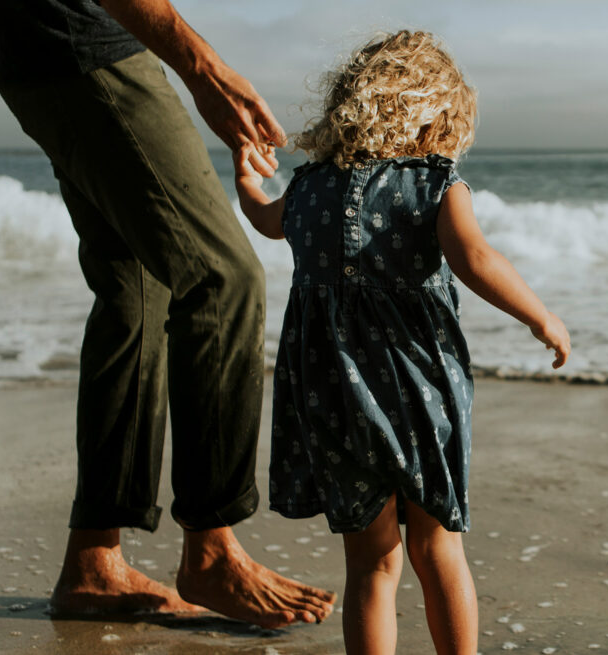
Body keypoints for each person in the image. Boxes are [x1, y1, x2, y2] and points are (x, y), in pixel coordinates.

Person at [0, 0, 334, 628]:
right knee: (223, 277)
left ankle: (93, 562)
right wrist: (204, 70)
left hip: (40, 45)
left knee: (135, 288)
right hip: (81, 34)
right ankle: (212, 549)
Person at [233, 30, 571, 654]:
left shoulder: (308, 189)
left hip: (331, 396)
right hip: (419, 394)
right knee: (437, 545)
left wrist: (245, 177)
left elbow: (262, 219)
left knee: (371, 563)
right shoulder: (435, 185)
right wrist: (540, 314)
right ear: (438, 116)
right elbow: (474, 257)